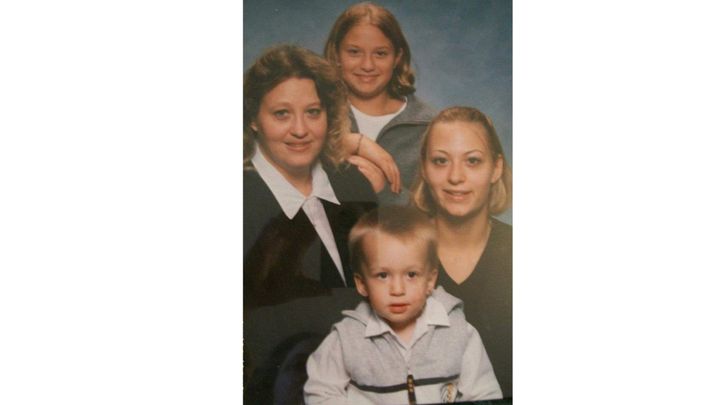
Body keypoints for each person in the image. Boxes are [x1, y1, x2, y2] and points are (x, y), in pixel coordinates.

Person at [243, 44, 378, 403]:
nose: (300, 130)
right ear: (254, 118)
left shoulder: (351, 184)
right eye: (282, 114)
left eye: (313, 112)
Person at [304, 206, 502, 404]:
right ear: (362, 284)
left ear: (430, 280)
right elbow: (320, 393)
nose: (398, 290)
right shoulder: (347, 337)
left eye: (411, 274)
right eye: (383, 275)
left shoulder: (460, 332)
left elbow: (483, 395)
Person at [411, 106, 513, 398]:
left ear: (496, 168)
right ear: (424, 168)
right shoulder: (398, 255)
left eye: (472, 161)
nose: (456, 176)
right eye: (441, 161)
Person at [324, 2, 436, 205]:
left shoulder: (429, 126)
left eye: (380, 53)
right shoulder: (316, 114)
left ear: (397, 57)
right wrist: (348, 143)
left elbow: (439, 215)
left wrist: (385, 190)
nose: (367, 65)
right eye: (354, 52)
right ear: (336, 54)